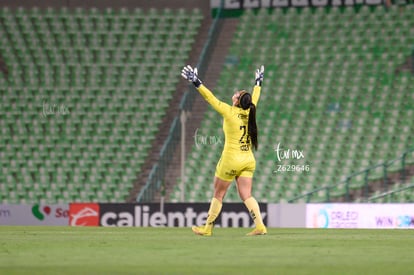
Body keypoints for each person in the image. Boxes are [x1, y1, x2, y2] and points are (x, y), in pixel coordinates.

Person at [181, 64, 267, 236]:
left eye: (237, 93)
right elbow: (255, 97)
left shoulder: (229, 112)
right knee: (246, 195)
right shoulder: (251, 111)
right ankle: (260, 226)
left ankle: (207, 228)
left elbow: (210, 98)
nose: (234, 94)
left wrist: (196, 82)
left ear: (237, 100)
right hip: (248, 159)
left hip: (231, 160)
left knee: (218, 193)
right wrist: (258, 83)